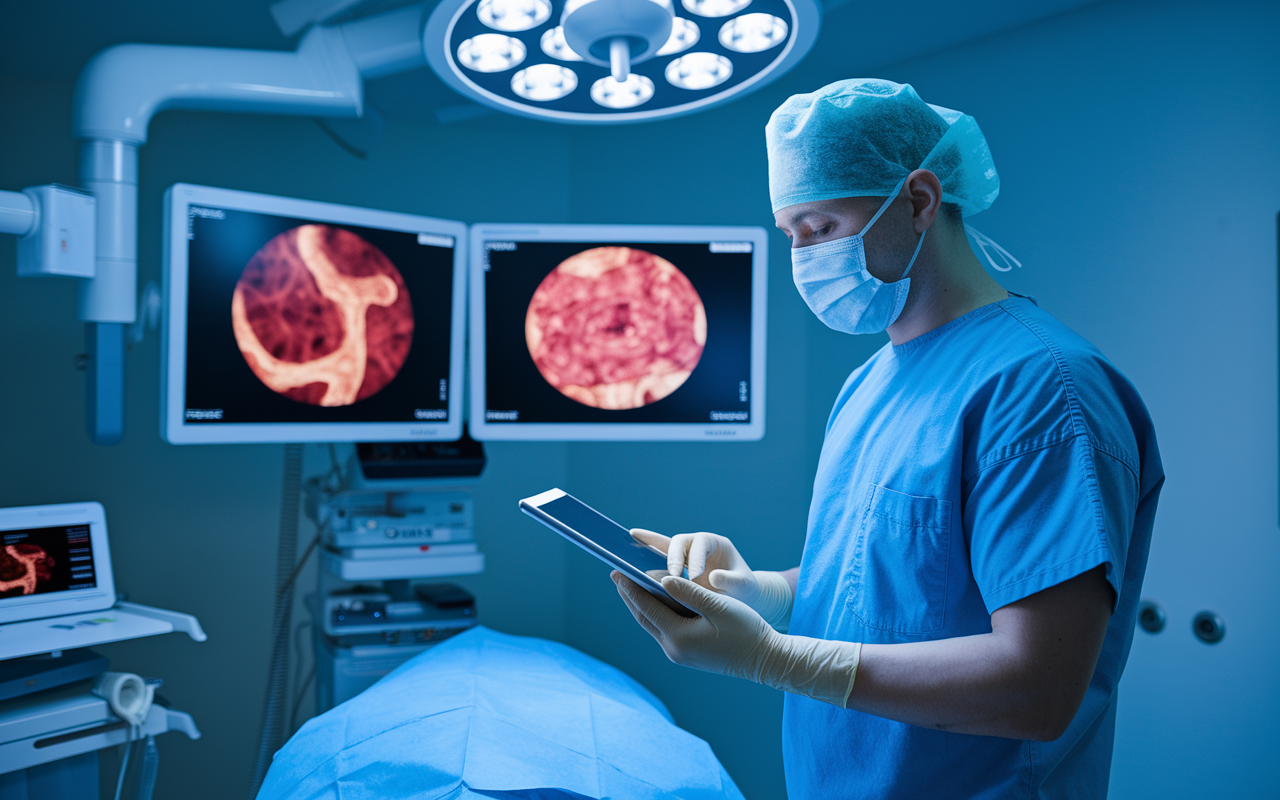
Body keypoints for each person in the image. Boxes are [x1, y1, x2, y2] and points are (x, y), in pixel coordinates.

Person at [612, 78, 1164, 799]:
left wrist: (774, 660)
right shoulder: (870, 382)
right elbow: (888, 585)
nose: (804, 257)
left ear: (919, 200)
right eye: (791, 236)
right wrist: (764, 594)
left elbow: (1039, 687)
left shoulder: (1043, 391)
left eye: (822, 228)